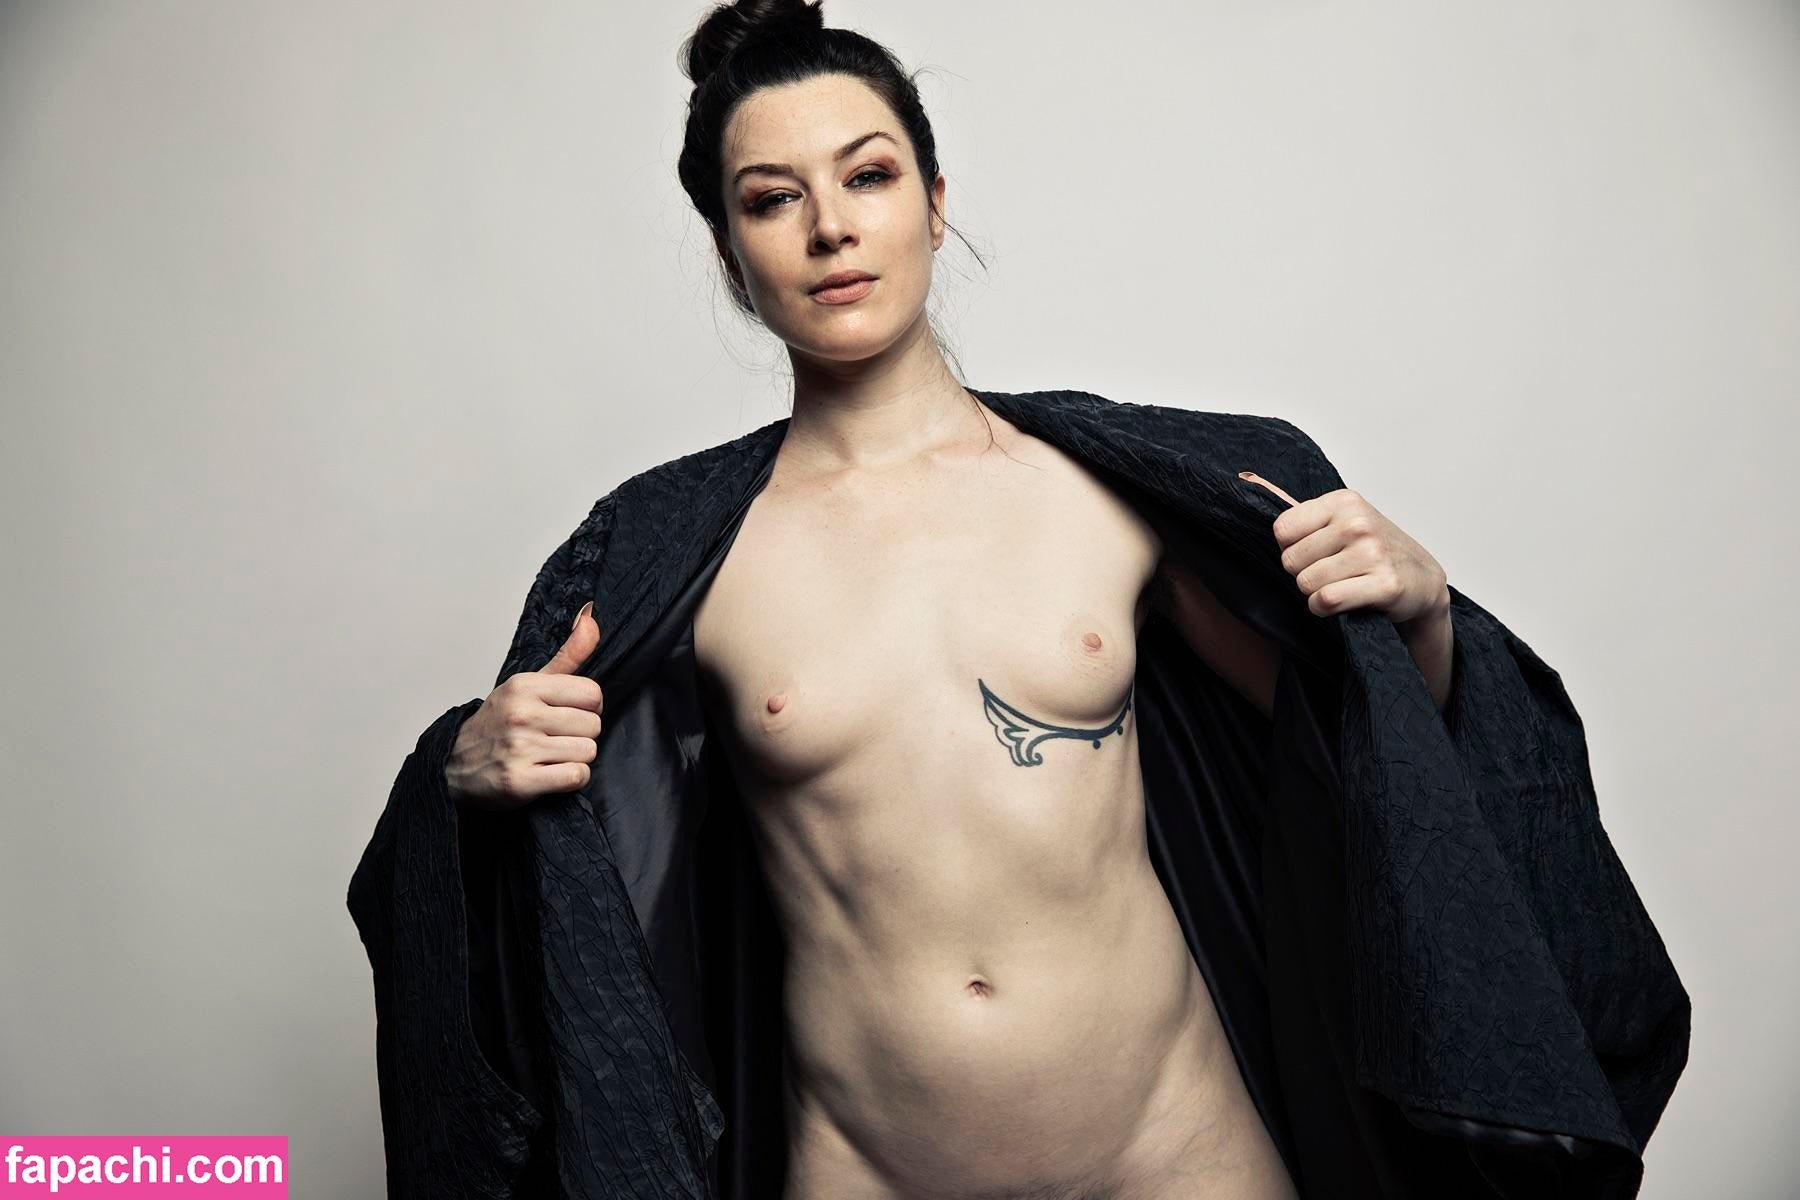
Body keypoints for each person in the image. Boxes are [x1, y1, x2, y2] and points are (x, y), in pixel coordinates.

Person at [349, 3, 1688, 1197]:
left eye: (868, 176)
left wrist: (1425, 621)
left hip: (1181, 1155)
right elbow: (554, 900)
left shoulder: (1115, 494)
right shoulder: (670, 554)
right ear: (727, 248)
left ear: (933, 202)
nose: (830, 228)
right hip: (863, 1168)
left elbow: (1356, 756)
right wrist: (462, 779)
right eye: (771, 199)